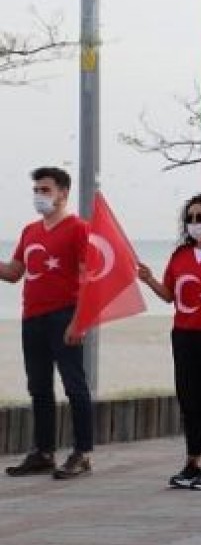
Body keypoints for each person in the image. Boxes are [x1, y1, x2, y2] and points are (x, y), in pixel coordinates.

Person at [138, 194, 201, 490]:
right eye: (190, 218)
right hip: (184, 335)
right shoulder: (181, 255)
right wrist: (149, 280)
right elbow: (169, 295)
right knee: (189, 400)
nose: (194, 223)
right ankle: (192, 462)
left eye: (200, 217)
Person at [1, 167, 94, 480]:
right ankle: (43, 452)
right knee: (39, 387)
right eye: (36, 190)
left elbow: (88, 277)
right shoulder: (30, 231)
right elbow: (14, 273)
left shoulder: (78, 228)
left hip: (64, 315)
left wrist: (79, 322)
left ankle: (82, 453)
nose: (39, 196)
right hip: (32, 317)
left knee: (74, 386)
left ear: (63, 193)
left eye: (45, 190)